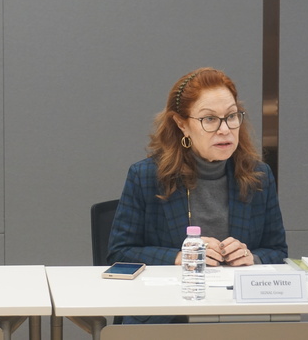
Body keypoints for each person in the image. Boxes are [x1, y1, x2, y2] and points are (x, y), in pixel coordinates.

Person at [108, 67, 287, 324]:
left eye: (231, 116)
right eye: (210, 119)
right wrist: (180, 257)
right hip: (165, 314)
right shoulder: (147, 176)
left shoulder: (258, 175)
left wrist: (252, 257)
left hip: (239, 312)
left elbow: (278, 251)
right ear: (182, 124)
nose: (224, 129)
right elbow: (120, 253)